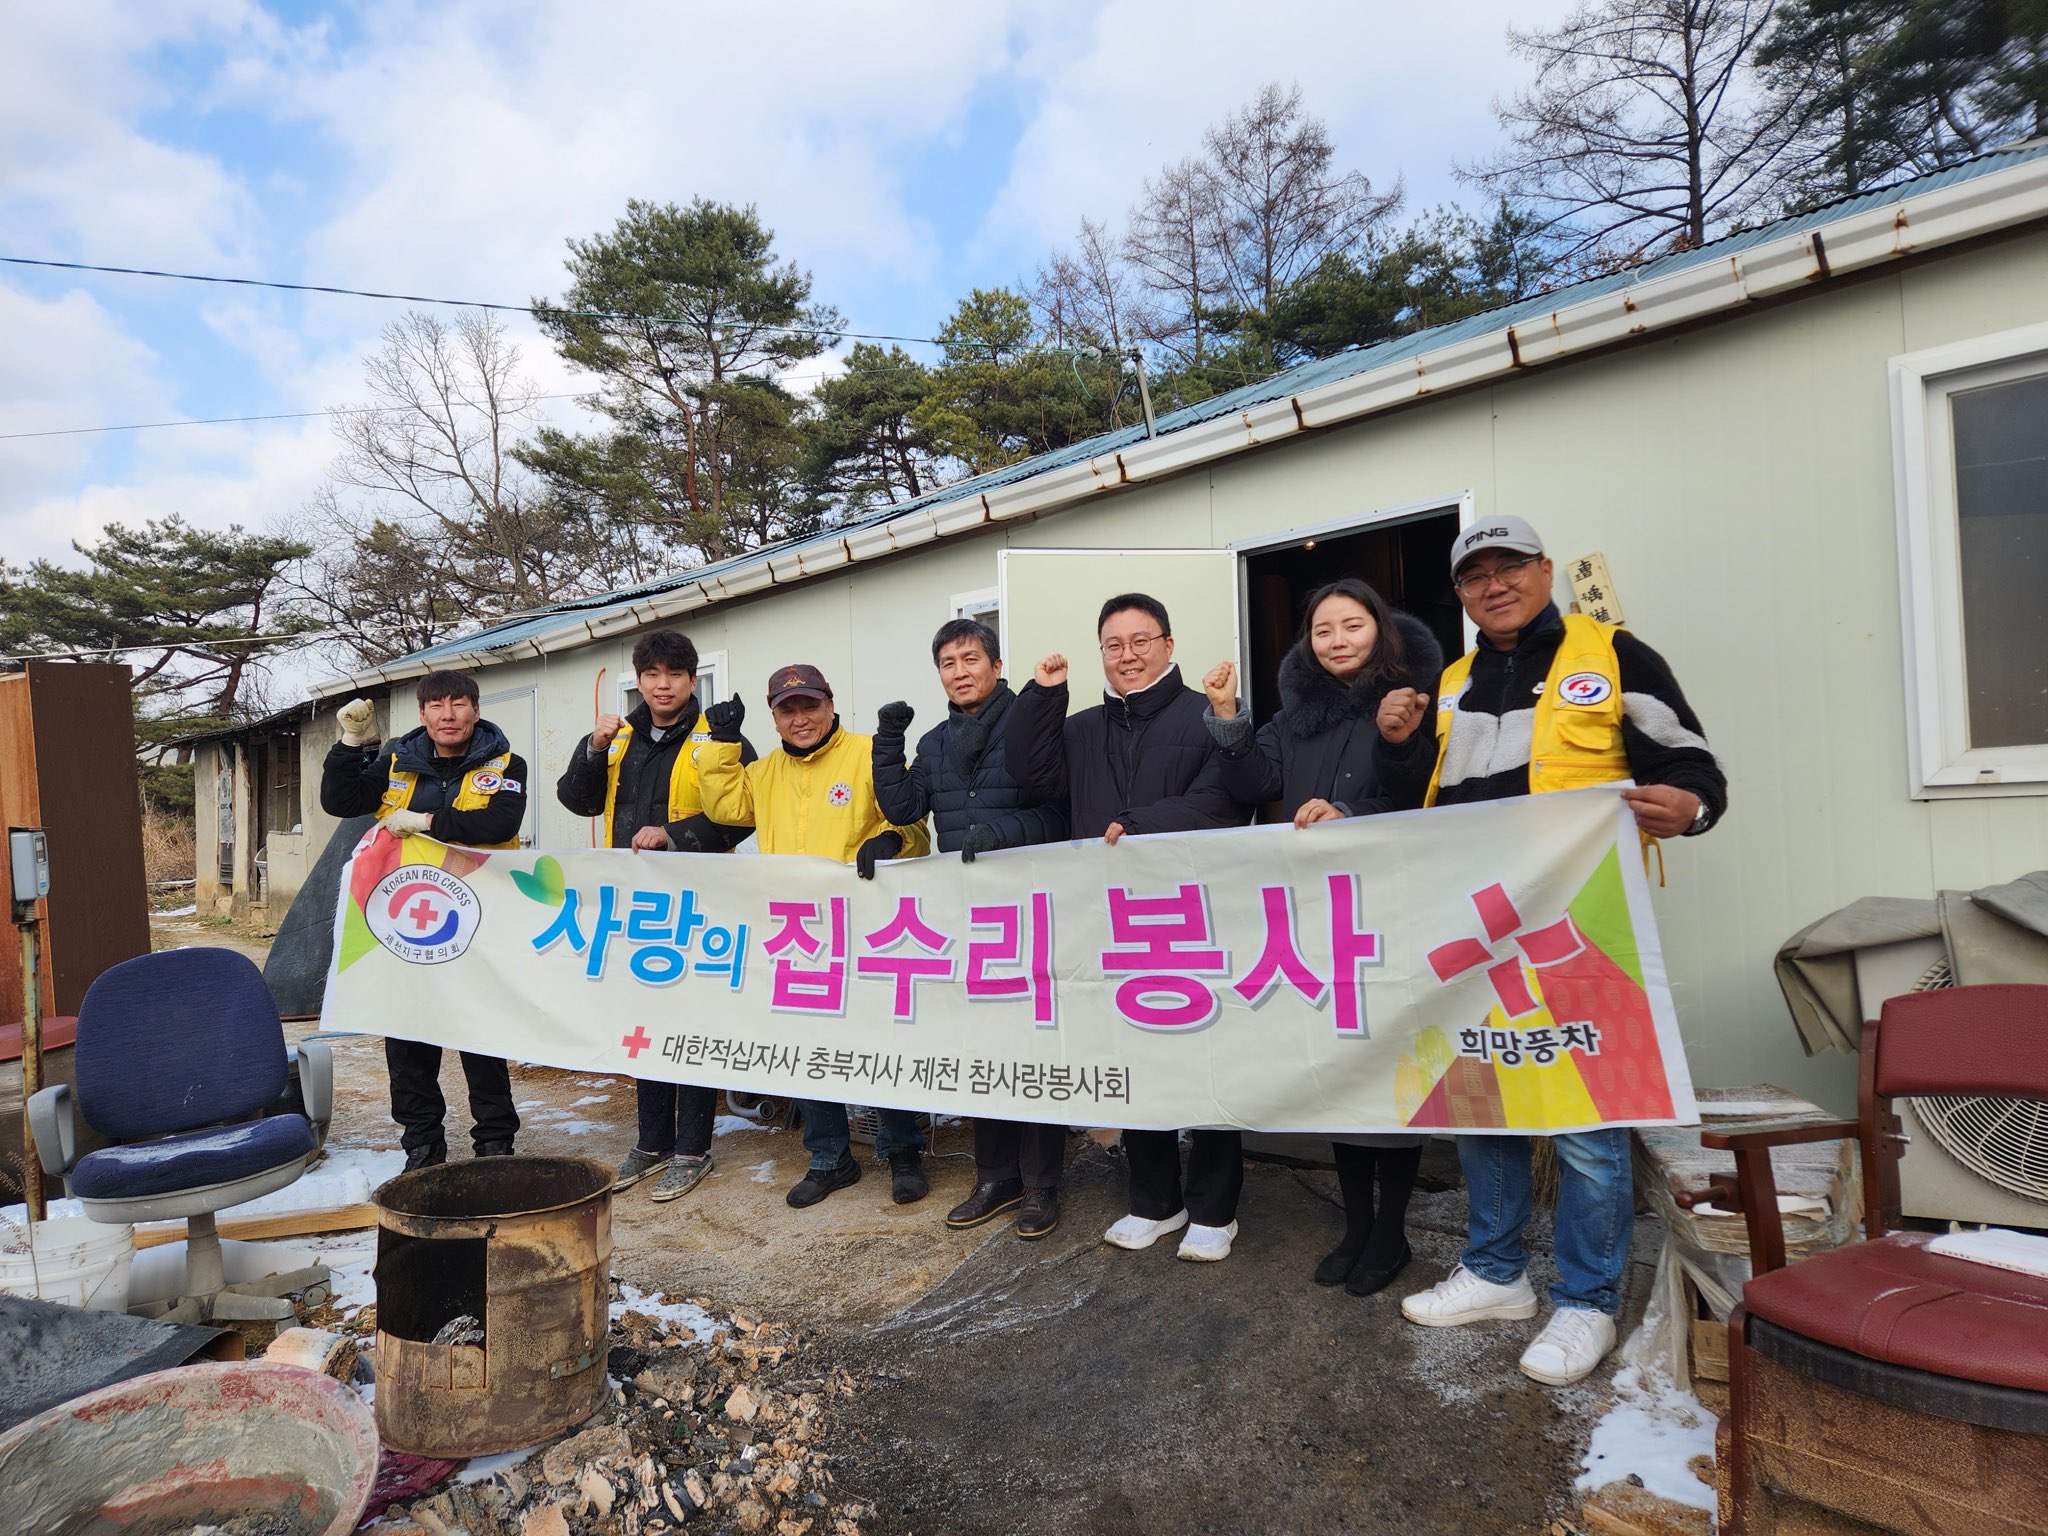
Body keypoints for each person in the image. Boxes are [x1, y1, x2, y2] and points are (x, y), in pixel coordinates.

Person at [1374, 515, 1727, 1387]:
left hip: (1579, 925)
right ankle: (1496, 1275)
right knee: (1479, 1095)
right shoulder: (1450, 680)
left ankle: (1587, 1301)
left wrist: (1692, 806)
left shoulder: (1613, 653)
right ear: (1458, 594)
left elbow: (1693, 768)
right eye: (1474, 575)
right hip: (1472, 928)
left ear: (1542, 569)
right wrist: (1397, 741)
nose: (1493, 585)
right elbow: (1422, 802)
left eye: (1509, 568)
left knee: (1582, 1115)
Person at [1201, 577, 1444, 1297]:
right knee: (1342, 1073)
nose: (1338, 640)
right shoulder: (1294, 714)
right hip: (1320, 919)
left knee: (1389, 1072)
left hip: (1389, 911)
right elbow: (1252, 780)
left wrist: (1349, 810)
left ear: (1382, 630)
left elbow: (1420, 790)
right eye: (1323, 630)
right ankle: (1357, 1225)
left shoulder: (1411, 704)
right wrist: (1227, 716)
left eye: (1353, 625)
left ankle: (1392, 1229)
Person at [1006, 593, 1251, 1261]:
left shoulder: (1208, 718)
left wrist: (1145, 825)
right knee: (1135, 1061)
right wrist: (1043, 696)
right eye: (1114, 645)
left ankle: (1215, 1209)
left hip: (1194, 918)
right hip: (1113, 923)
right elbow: (1031, 775)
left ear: (1169, 646)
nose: (1129, 655)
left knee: (1203, 1061)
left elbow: (1227, 801)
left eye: (1142, 641)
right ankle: (1155, 1200)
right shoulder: (1081, 727)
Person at [695, 663, 933, 1209]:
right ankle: (830, 1157)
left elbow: (913, 823)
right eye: (787, 710)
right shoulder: (765, 771)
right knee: (808, 1045)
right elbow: (725, 806)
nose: (800, 719)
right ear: (775, 718)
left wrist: (894, 841)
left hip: (864, 927)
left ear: (829, 704)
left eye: (809, 706)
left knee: (878, 1041)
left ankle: (902, 1151)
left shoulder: (866, 753)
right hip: (796, 931)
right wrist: (722, 744)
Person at [871, 618, 1071, 1240]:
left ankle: (1041, 1185)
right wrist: (886, 740)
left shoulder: (1031, 725)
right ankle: (996, 1177)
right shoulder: (931, 743)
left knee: (1032, 1049)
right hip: (968, 916)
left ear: (997, 665)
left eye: (970, 659)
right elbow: (903, 808)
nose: (959, 672)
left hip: (1031, 910)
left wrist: (1002, 834)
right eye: (948, 663)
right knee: (983, 1046)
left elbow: (1061, 809)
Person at [554, 629, 757, 1203]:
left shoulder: (718, 738)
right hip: (635, 905)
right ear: (638, 682)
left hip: (699, 902)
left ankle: (692, 1148)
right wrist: (591, 751)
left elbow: (745, 815)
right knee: (643, 1021)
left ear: (693, 680)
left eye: (674, 674)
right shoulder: (618, 737)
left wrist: (674, 835)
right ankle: (651, 1142)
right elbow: (580, 799)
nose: (662, 685)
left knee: (690, 1023)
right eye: (651, 675)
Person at [322, 670, 528, 1170]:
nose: (448, 714)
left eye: (458, 704)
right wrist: (351, 744)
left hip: (479, 918)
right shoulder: (396, 760)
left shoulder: (505, 762)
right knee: (407, 1028)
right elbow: (341, 801)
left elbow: (499, 823)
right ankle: (422, 1144)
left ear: (475, 711)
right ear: (423, 714)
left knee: (480, 1032)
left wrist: (427, 822)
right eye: (436, 705)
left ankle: (495, 1143)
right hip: (404, 918)